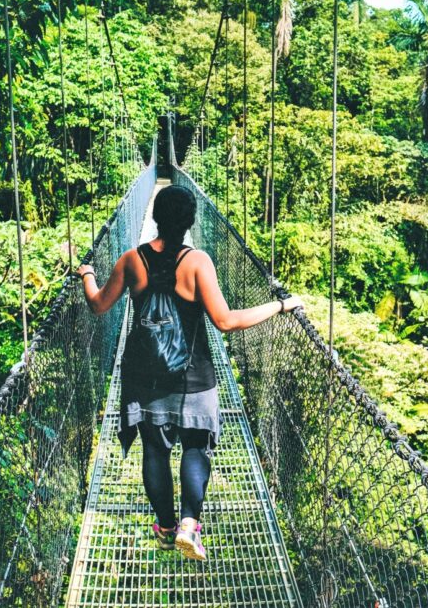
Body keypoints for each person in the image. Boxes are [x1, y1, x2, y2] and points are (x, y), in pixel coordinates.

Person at [76, 184, 303, 561]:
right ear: (190, 222)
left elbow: (99, 305)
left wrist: (87, 274)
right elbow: (225, 321)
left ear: (153, 218)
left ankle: (164, 528)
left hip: (143, 374)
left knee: (154, 449)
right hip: (193, 376)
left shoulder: (132, 260)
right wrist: (280, 306)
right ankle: (187, 525)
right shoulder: (198, 262)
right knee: (196, 446)